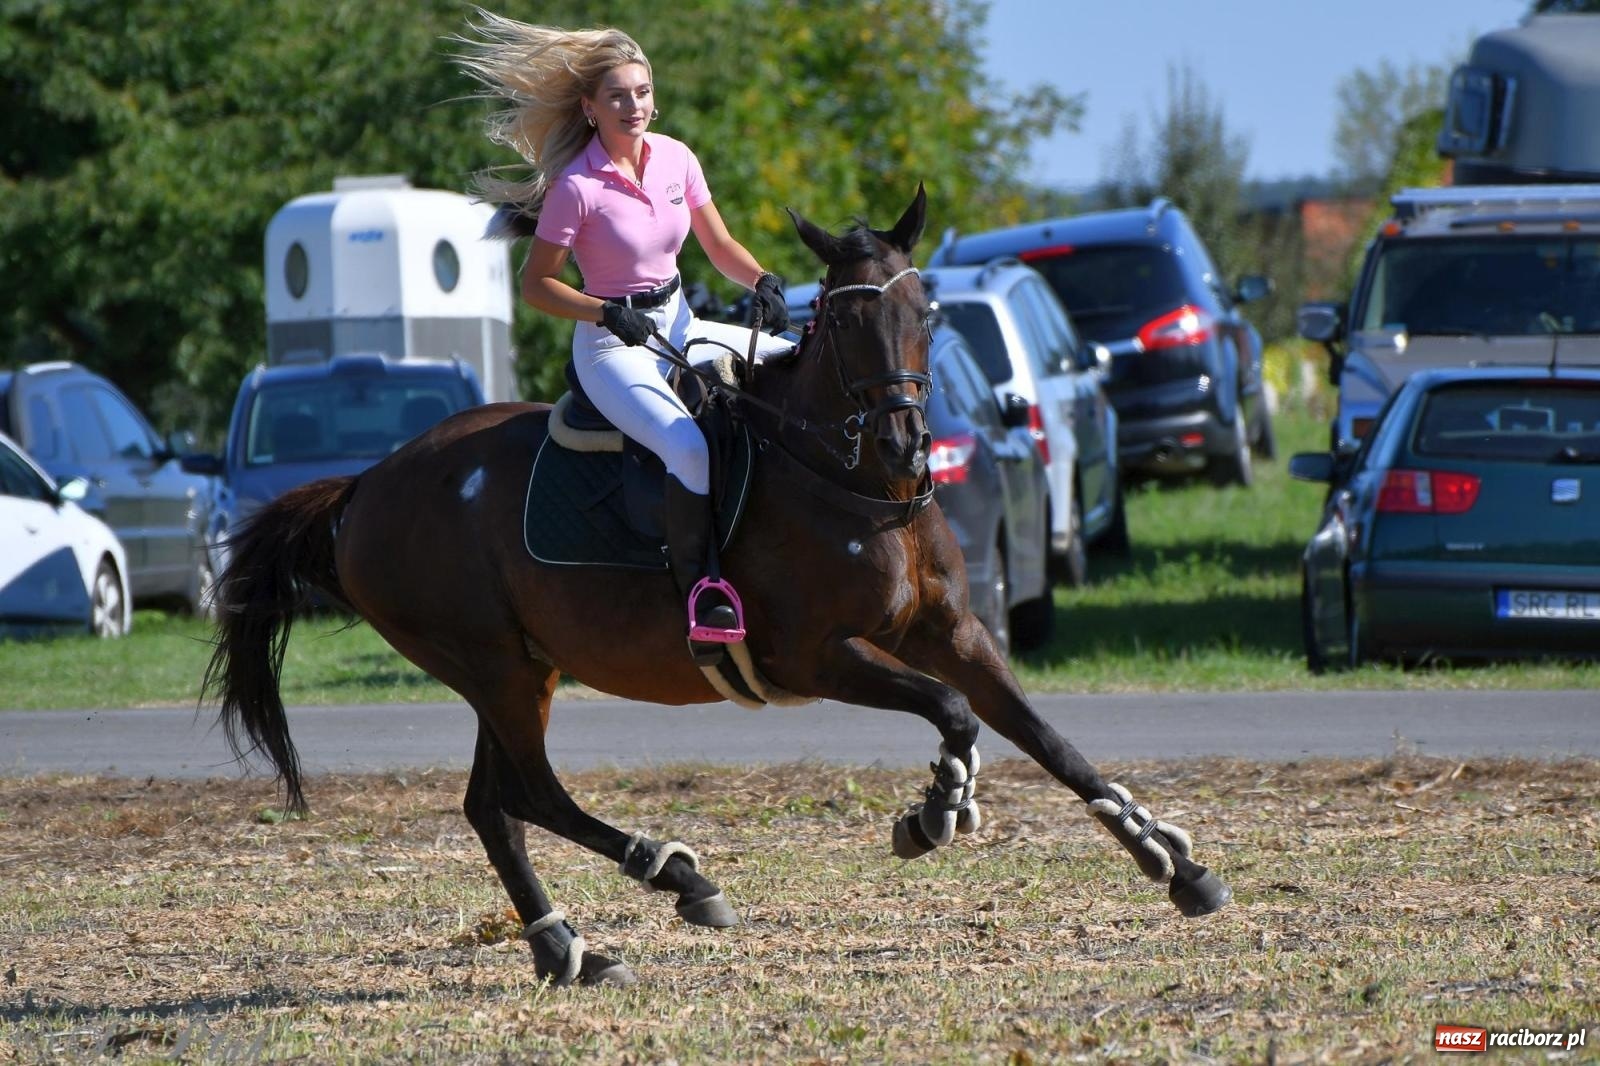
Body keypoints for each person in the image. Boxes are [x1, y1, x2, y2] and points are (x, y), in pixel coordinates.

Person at [458, 14, 792, 664]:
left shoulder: (677, 158)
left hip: (680, 324)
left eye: (641, 92)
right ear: (591, 107)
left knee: (794, 362)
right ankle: (703, 594)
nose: (632, 105)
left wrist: (762, 280)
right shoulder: (576, 187)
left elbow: (719, 244)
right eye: (617, 96)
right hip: (612, 347)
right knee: (686, 447)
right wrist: (605, 314)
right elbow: (537, 286)